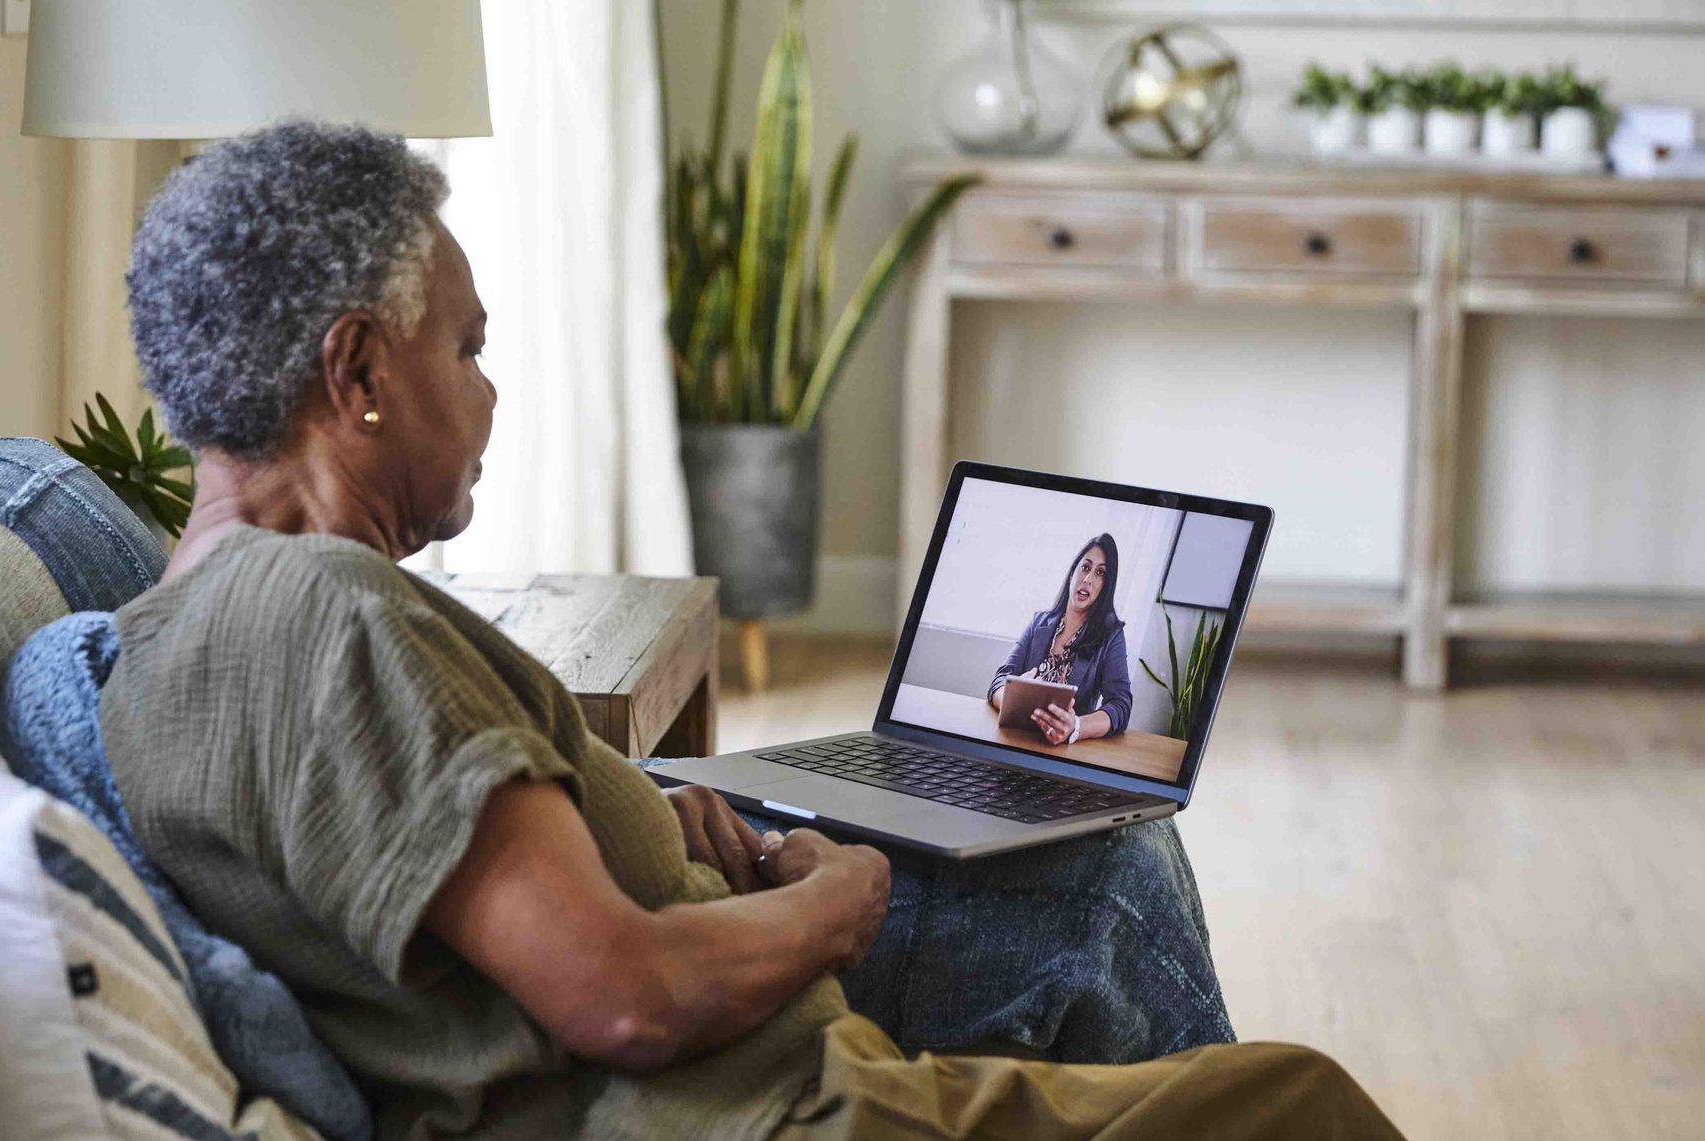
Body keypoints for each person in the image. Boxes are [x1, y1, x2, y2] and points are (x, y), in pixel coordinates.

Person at [97, 121, 1401, 1140]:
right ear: (360, 372)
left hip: (751, 1068)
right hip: (758, 1111)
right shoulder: (325, 617)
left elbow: (437, 869)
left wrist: (652, 809)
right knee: (1294, 1100)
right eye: (468, 346)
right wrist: (834, 901)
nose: (490, 393)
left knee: (1106, 885)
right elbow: (622, 993)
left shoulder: (182, 624)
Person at [989, 535, 1136, 746]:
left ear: (1106, 586)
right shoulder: (1038, 622)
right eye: (1085, 567)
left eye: (1100, 573)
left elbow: (1121, 705)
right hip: (1015, 740)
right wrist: (1015, 702)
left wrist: (1076, 726)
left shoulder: (1111, 636)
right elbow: (1000, 680)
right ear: (1072, 573)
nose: (1088, 579)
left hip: (1062, 751)